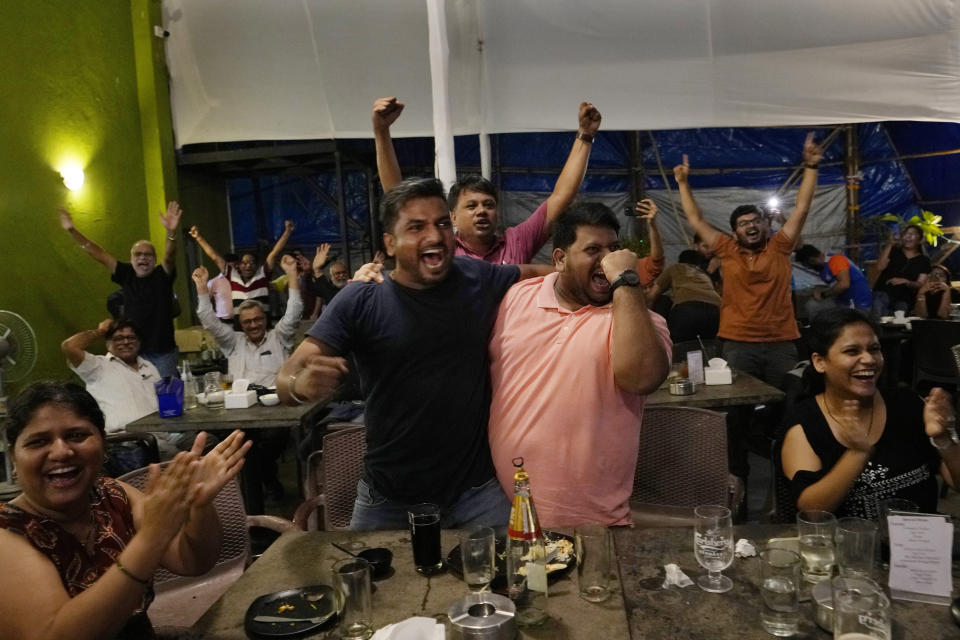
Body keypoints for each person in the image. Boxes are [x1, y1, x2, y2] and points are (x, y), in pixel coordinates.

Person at [276, 178, 551, 530]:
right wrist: (301, 384)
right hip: (388, 500)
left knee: (516, 577)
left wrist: (599, 274)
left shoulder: (474, 276)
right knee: (370, 583)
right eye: (416, 227)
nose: (435, 236)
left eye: (440, 224)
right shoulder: (361, 299)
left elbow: (535, 274)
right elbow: (285, 379)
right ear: (389, 244)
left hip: (475, 493)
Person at [0, 381, 250, 640]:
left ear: (104, 444)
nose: (61, 451)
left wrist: (200, 506)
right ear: (14, 459)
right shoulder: (8, 534)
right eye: (38, 441)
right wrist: (151, 539)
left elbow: (193, 562)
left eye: (77, 435)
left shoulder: (113, 494)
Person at [487, 203, 671, 527]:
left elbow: (643, 378)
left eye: (614, 249)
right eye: (593, 249)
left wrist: (626, 281)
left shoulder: (639, 320)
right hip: (497, 508)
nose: (608, 260)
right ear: (560, 259)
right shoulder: (517, 297)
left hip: (591, 523)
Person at [372, 96, 602, 264]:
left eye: (488, 205)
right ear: (452, 216)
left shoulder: (516, 242)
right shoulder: (442, 247)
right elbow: (399, 200)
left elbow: (561, 196)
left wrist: (585, 136)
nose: (481, 211)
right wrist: (381, 133)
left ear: (498, 213)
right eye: (471, 206)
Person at [672, 133, 823, 390]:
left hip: (781, 342)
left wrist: (810, 167)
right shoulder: (726, 249)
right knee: (740, 404)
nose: (750, 226)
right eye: (743, 224)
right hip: (737, 343)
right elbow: (696, 220)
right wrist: (683, 183)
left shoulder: (779, 247)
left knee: (783, 400)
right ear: (734, 233)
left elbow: (802, 209)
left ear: (766, 225)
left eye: (755, 221)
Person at [778, 308, 959, 519]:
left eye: (874, 349)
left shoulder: (907, 404)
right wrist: (858, 453)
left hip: (921, 547)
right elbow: (813, 513)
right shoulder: (804, 424)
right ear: (820, 362)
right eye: (852, 351)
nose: (869, 359)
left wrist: (943, 438)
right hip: (851, 549)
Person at [60, 204, 183, 378]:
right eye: (138, 254)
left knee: (166, 400)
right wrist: (72, 230)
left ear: (155, 259)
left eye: (148, 255)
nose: (142, 257)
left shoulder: (161, 275)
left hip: (162, 353)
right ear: (131, 259)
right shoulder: (126, 274)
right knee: (135, 397)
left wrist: (171, 233)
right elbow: (98, 254)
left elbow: (170, 257)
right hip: (132, 352)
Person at [61, 318, 188, 460]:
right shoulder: (97, 367)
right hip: (128, 440)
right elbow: (69, 346)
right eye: (118, 338)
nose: (126, 342)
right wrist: (100, 331)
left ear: (139, 342)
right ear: (108, 343)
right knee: (178, 456)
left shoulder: (149, 366)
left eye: (131, 337)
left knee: (207, 440)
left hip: (163, 433)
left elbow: (166, 404)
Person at [191, 255, 303, 387]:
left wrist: (291, 274)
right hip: (240, 403)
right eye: (247, 322)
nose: (253, 325)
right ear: (241, 324)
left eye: (258, 319)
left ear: (265, 319)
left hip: (276, 402)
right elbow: (209, 322)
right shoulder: (233, 342)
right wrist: (201, 287)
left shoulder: (279, 337)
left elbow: (294, 313)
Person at [189, 221, 295, 316]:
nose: (248, 266)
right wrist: (198, 237)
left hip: (263, 332)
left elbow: (274, 253)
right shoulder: (232, 276)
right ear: (239, 265)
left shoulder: (263, 275)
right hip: (239, 333)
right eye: (244, 263)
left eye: (251, 263)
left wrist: (287, 232)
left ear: (257, 265)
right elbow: (215, 257)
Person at [646, 249, 722, 342]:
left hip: (687, 311)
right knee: (709, 348)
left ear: (680, 261)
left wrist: (647, 322)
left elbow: (652, 295)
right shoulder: (704, 274)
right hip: (715, 312)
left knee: (679, 348)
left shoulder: (675, 267)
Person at [794, 244, 873, 313]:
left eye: (808, 266)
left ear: (812, 261)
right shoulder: (823, 268)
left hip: (858, 303)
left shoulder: (836, 260)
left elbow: (844, 284)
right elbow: (835, 285)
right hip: (843, 301)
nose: (810, 268)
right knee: (812, 306)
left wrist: (824, 294)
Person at [873, 224, 931, 314]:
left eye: (912, 234)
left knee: (898, 324)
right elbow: (880, 267)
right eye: (905, 234)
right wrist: (890, 244)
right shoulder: (894, 250)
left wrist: (906, 282)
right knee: (878, 321)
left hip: (904, 299)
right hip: (883, 293)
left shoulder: (924, 260)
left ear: (920, 239)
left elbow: (920, 283)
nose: (908, 237)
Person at [188, 226, 239, 323]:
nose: (234, 268)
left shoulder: (240, 279)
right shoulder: (214, 282)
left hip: (239, 320)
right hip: (223, 321)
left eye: (236, 265)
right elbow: (206, 300)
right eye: (231, 266)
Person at [302, 243, 352, 319]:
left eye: (344, 272)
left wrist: (317, 270)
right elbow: (311, 289)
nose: (341, 275)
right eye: (337, 273)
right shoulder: (328, 287)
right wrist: (309, 272)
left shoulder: (354, 287)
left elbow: (334, 296)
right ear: (331, 276)